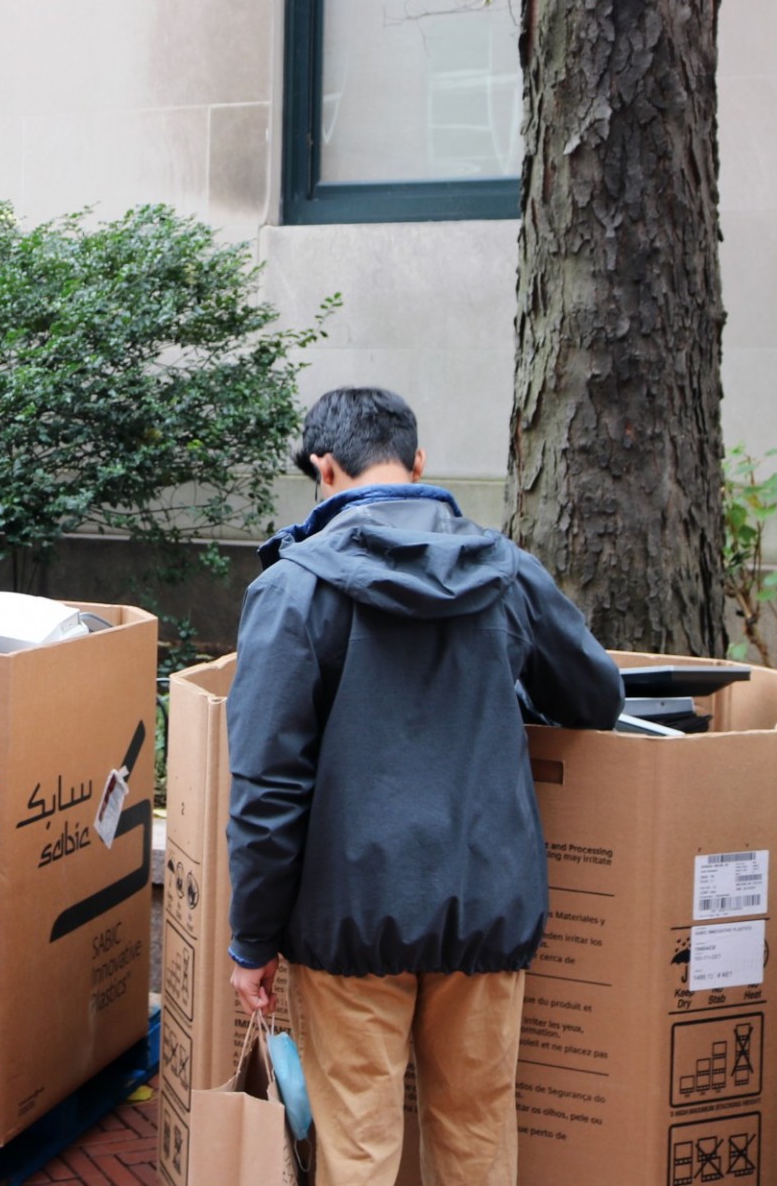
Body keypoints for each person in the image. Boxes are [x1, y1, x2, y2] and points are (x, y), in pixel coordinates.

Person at [225, 386, 623, 1186]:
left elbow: (267, 787)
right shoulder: (505, 571)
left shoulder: (295, 589)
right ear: (418, 463)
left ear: (324, 468)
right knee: (476, 1134)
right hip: (485, 904)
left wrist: (252, 941)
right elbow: (596, 698)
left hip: (349, 918)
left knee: (359, 1145)